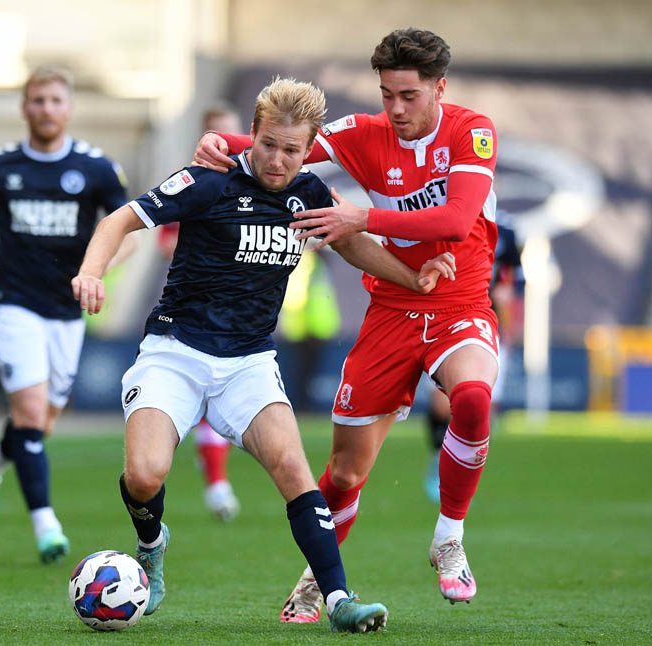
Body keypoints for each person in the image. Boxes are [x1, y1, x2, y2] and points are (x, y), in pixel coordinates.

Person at [73, 76, 455, 632]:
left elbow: (353, 245)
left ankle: (339, 599)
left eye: (292, 150)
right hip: (175, 352)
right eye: (269, 144)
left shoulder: (311, 195)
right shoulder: (209, 182)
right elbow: (119, 220)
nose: (278, 160)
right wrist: (91, 272)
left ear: (311, 148)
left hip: (248, 363)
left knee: (295, 469)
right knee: (145, 475)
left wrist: (413, 278)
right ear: (251, 133)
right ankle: (151, 543)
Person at [193, 27, 500, 619]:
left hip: (459, 303)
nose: (396, 109)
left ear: (439, 87)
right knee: (343, 471)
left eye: (409, 96)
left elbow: (457, 221)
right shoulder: (363, 134)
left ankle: (449, 538)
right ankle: (317, 579)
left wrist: (364, 218)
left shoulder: (472, 131)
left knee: (472, 397)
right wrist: (220, 142)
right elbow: (285, 146)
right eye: (387, 95)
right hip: (391, 310)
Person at [0, 65, 129, 564]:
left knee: (41, 423)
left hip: (66, 311)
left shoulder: (97, 169)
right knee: (30, 415)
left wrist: (95, 272)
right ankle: (46, 525)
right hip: (13, 303)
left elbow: (128, 232)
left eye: (55, 100)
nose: (46, 109)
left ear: (69, 108)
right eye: (37, 100)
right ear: (24, 107)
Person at [157, 104, 246, 522]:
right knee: (203, 396)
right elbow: (164, 241)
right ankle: (216, 480)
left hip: (242, 310)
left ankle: (216, 478)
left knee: (222, 397)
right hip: (194, 307)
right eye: (217, 134)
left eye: (232, 133)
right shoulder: (189, 183)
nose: (226, 142)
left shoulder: (262, 183)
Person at [422, 213, 521, 503]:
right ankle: (438, 458)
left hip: (484, 323)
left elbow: (513, 281)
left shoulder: (506, 230)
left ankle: (460, 477)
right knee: (441, 404)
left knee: (477, 405)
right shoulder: (442, 213)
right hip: (441, 318)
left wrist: (509, 313)